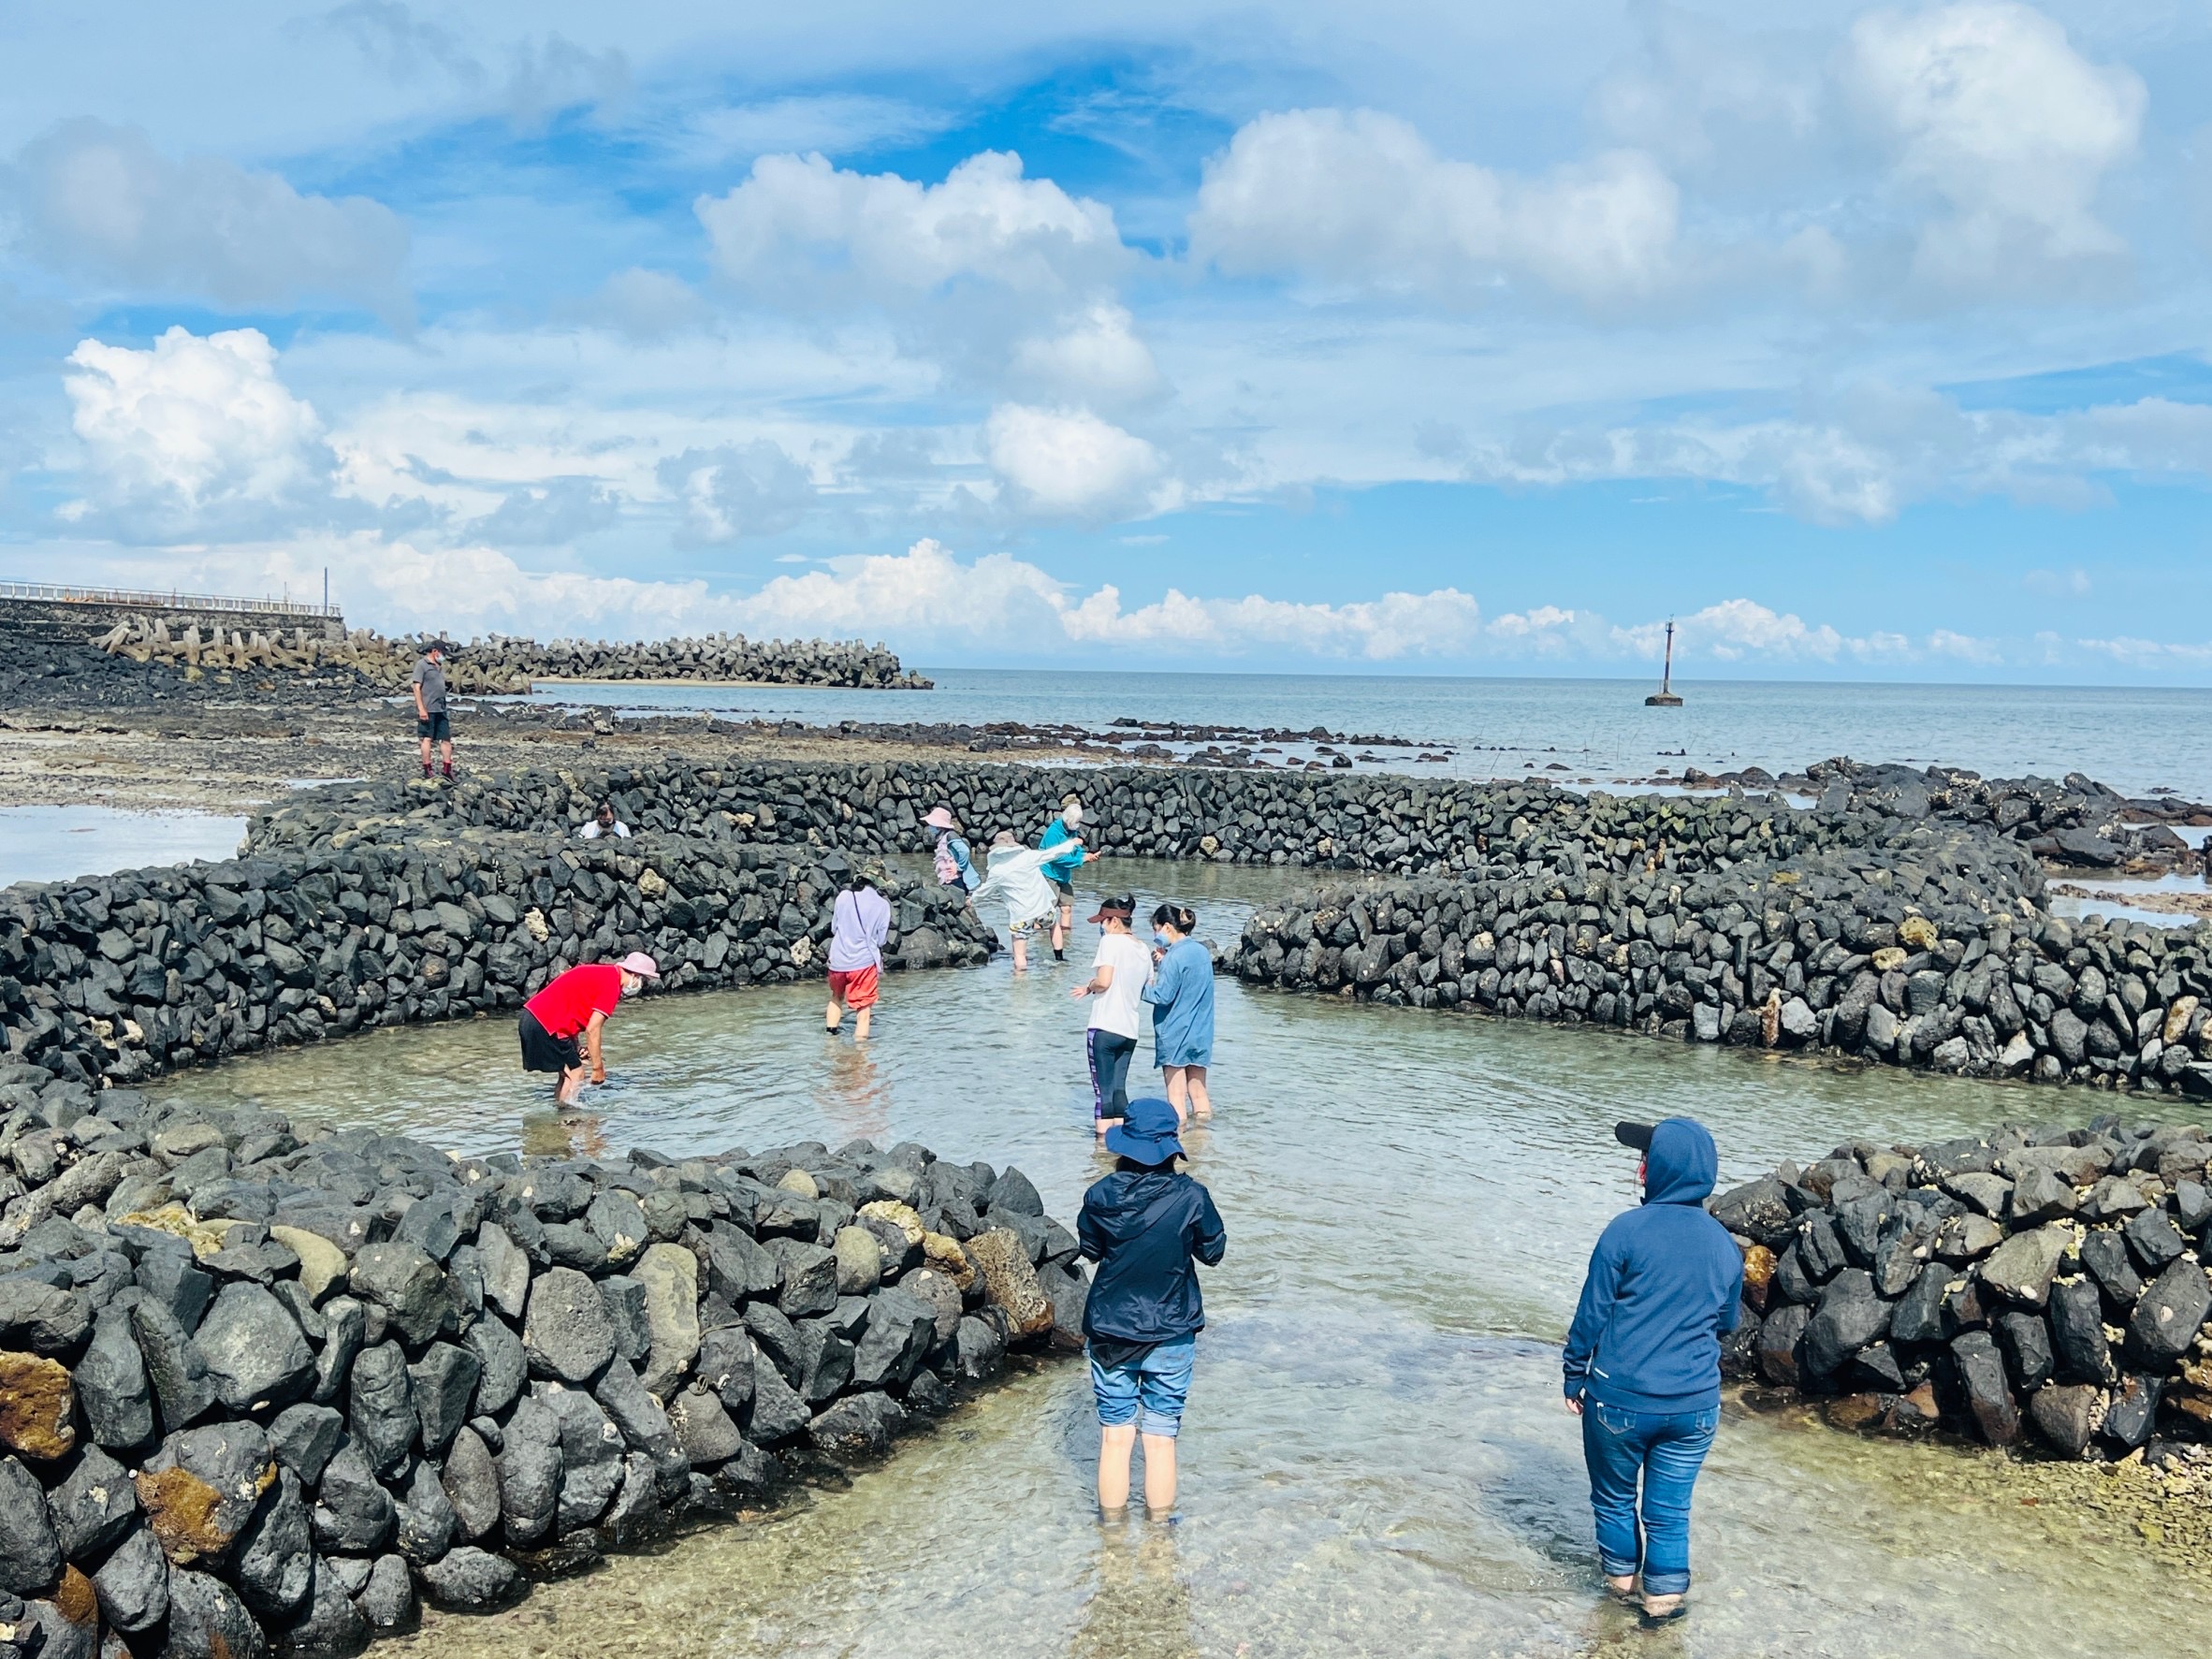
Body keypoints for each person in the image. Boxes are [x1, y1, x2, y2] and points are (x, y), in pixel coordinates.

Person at [1562, 1118, 1744, 1629]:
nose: (1638, 1166)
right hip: (1695, 1408)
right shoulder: (1725, 1245)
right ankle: (1662, 1617)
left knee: (1614, 1499)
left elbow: (1591, 1315)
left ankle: (1616, 1613)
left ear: (1653, 1169)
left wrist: (1574, 1375)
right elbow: (1727, 1323)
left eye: (1643, 1158)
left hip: (1620, 1400)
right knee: (1669, 1514)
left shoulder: (1625, 1231)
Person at [1078, 1096, 1226, 1520]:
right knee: (1160, 1440)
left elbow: (1090, 1249)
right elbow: (1213, 1252)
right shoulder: (1192, 1197)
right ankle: (1160, 1539)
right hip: (1172, 1330)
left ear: (1126, 1146)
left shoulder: (1100, 1194)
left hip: (1111, 1328)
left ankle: (1111, 1540)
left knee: (1115, 1439)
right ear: (1169, 1147)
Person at [517, 953, 660, 1107]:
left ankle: (558, 1123)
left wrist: (576, 1046)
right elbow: (593, 1029)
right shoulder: (611, 985)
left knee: (566, 1075)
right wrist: (598, 1068)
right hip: (545, 1024)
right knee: (576, 1075)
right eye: (644, 981)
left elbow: (571, 1008)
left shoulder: (602, 973)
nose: (641, 986)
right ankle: (566, 1120)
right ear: (635, 975)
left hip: (533, 1018)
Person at [1070, 895, 1148, 1137]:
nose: (1101, 927)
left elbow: (1104, 982)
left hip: (1104, 1027)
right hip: (1130, 1030)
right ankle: (1122, 1146)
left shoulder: (1110, 943)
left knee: (1102, 1092)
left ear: (1114, 921)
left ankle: (1101, 1150)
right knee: (1118, 1090)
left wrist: (1090, 984)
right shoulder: (1143, 948)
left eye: (1103, 922)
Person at [1141, 905, 1215, 1124]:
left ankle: (1180, 1143)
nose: (1155, 936)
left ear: (1166, 927)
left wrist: (1138, 986)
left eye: (1155, 930)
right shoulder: (1201, 952)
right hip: (1201, 1032)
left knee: (1176, 1097)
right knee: (1199, 1094)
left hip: (1175, 1033)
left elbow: (1162, 996)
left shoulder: (1174, 958)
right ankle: (1201, 1143)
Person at [968, 831, 1057, 971]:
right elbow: (1052, 853)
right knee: (1054, 926)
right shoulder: (1028, 858)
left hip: (1021, 916)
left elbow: (985, 891)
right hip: (1042, 909)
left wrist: (972, 900)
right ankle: (1059, 958)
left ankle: (1020, 984)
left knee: (1020, 954)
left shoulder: (998, 870)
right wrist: (1071, 844)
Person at [825, 870, 892, 1041]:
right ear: (878, 882)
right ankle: (860, 1055)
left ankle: (831, 1043)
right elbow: (881, 940)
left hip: (838, 959)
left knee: (836, 997)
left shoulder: (843, 896)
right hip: (863, 963)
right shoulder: (882, 905)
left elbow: (834, 928)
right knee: (864, 1010)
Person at [1039, 796, 1087, 960]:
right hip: (1049, 873)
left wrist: (1084, 854)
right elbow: (1057, 858)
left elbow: (1075, 851)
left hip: (1064, 875)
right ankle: (1041, 938)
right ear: (1068, 819)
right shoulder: (1053, 832)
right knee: (1047, 912)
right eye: (1076, 822)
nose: (1077, 825)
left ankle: (1065, 939)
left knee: (1067, 908)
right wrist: (1081, 860)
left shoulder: (1072, 830)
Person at [412, 640, 454, 780]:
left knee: (446, 739)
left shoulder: (439, 666)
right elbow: (416, 688)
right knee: (427, 738)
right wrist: (421, 709)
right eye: (442, 653)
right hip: (428, 708)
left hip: (441, 708)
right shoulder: (422, 665)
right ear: (435, 651)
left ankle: (447, 769)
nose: (444, 657)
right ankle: (427, 769)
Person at [924, 805, 979, 891]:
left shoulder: (950, 835)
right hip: (948, 878)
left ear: (939, 825)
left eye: (932, 824)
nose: (930, 826)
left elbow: (965, 851)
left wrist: (959, 868)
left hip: (955, 879)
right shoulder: (941, 837)